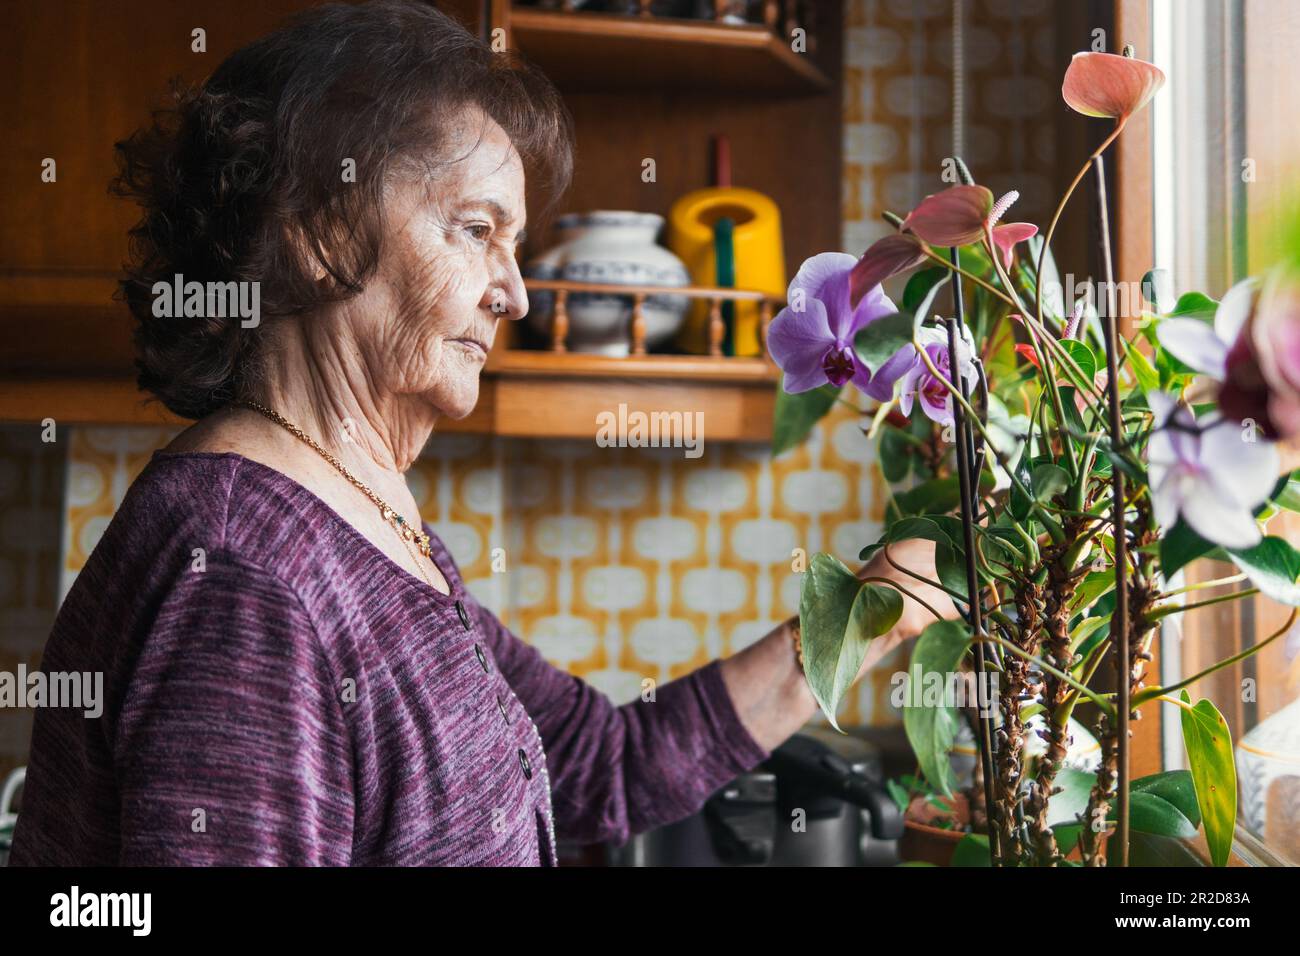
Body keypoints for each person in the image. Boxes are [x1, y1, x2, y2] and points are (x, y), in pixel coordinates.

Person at [10, 0, 954, 866]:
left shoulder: (366, 530)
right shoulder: (246, 579)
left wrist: (872, 608)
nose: (518, 292)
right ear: (322, 231)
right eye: (476, 229)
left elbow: (604, 766)